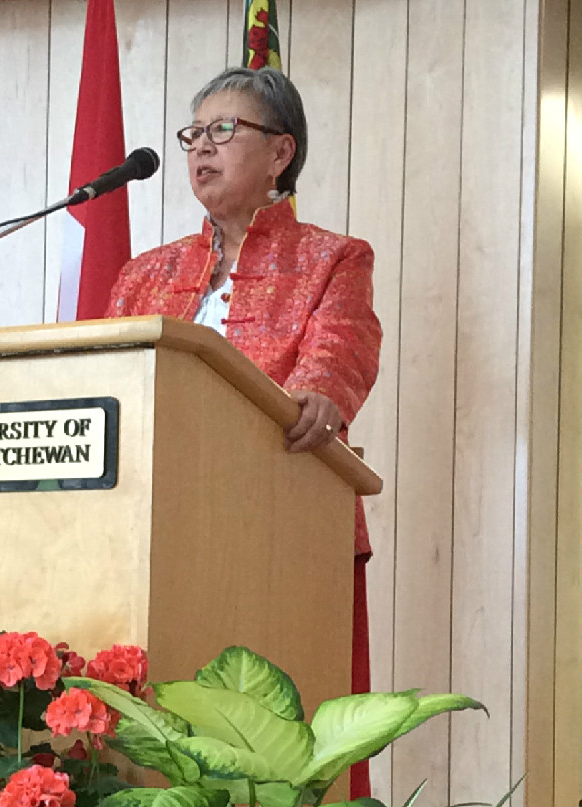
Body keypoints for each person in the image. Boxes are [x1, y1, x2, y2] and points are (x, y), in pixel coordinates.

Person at [105, 66, 382, 799]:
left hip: (284, 528)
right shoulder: (143, 275)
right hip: (151, 534)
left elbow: (340, 347)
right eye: (193, 133)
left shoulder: (332, 258)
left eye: (224, 130)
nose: (201, 148)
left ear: (281, 153)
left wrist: (321, 391)